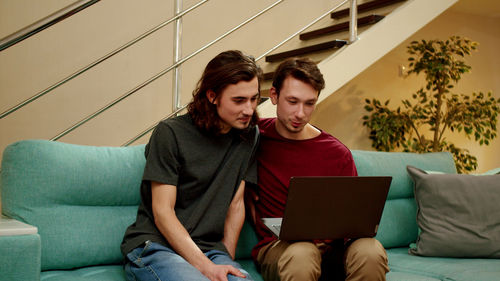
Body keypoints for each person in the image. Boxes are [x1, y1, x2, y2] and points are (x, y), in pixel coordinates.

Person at [121, 50, 263, 281]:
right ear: (212, 96)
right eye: (238, 100)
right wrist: (206, 268)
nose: (249, 110)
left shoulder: (249, 136)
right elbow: (162, 213)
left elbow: (236, 204)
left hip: (211, 249)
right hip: (157, 246)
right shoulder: (170, 133)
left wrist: (225, 258)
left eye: (254, 98)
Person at [248, 58, 389, 281]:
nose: (301, 114)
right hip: (282, 249)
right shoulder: (252, 137)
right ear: (273, 96)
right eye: (292, 101)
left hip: (334, 251)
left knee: (370, 250)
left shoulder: (337, 152)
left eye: (309, 103)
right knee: (302, 253)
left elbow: (354, 218)